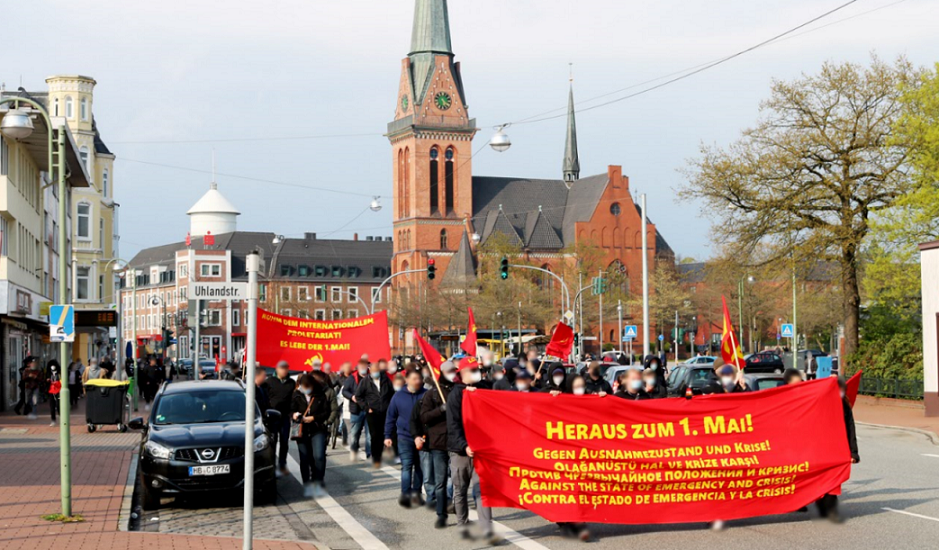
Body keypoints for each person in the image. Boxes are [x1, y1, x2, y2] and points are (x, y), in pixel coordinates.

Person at [446, 356, 500, 544]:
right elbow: (453, 425)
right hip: (460, 452)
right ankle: (462, 524)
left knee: (482, 491)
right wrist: (464, 446)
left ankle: (487, 530)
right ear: (462, 373)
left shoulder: (483, 388)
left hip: (481, 451)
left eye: (478, 369)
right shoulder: (455, 395)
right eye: (472, 370)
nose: (477, 373)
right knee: (460, 490)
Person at [546, 375, 597, 541]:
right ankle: (566, 522)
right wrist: (549, 398)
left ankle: (577, 525)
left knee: (579, 489)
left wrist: (604, 398)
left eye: (582, 385)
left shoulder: (590, 401)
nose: (580, 389)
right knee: (566, 489)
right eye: (576, 386)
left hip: (583, 454)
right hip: (563, 454)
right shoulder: (557, 400)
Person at [816, 377, 860, 522]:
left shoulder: (845, 405)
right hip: (822, 449)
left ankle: (831, 509)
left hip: (838, 450)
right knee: (823, 479)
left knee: (834, 481)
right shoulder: (821, 403)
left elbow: (850, 429)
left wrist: (853, 452)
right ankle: (822, 505)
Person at [419, 360, 457, 527]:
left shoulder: (458, 391)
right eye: (449, 371)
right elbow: (424, 417)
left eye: (454, 371)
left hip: (456, 442)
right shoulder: (432, 394)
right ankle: (441, 514)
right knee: (440, 481)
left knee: (457, 480)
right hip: (438, 443)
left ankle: (458, 508)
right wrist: (441, 409)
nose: (453, 374)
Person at [385, 369, 426, 507]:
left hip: (423, 437)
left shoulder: (426, 394)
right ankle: (405, 494)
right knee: (407, 466)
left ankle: (416, 493)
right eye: (414, 378)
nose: (417, 381)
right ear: (407, 380)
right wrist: (387, 435)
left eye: (419, 378)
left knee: (420, 467)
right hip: (404, 437)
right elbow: (391, 417)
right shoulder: (398, 396)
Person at [291, 374, 330, 497]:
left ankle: (318, 481)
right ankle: (307, 484)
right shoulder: (296, 395)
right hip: (301, 430)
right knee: (304, 458)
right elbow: (290, 410)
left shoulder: (320, 395)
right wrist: (294, 415)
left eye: (308, 386)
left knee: (319, 456)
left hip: (317, 429)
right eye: (304, 386)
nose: (306, 389)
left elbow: (326, 412)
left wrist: (313, 418)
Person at [355, 358, 394, 468]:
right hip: (372, 412)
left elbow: (392, 393)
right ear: (370, 371)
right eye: (373, 371)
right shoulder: (365, 381)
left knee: (383, 434)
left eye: (377, 370)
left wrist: (391, 406)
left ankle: (380, 455)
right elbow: (358, 396)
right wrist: (366, 408)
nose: (375, 373)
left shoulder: (386, 380)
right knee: (374, 435)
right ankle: (375, 458)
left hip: (385, 411)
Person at [263, 361, 297, 476]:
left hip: (285, 417)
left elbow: (293, 399)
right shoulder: (269, 382)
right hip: (272, 417)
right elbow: (265, 398)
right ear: (277, 369)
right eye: (281, 368)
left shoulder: (292, 383)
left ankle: (282, 464)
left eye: (286, 368)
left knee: (284, 442)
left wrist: (292, 412)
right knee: (272, 442)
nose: (284, 370)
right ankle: (272, 465)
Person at [342, 359, 371, 462]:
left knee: (370, 435)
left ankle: (369, 454)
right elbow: (344, 391)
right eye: (361, 366)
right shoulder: (352, 378)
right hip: (356, 410)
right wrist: (352, 396)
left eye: (365, 365)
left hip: (369, 410)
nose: (363, 368)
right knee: (355, 433)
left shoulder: (372, 377)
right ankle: (354, 451)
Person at [47, 360, 62, 426]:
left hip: (59, 390)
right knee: (52, 406)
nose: (52, 367)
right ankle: (53, 420)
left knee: (59, 405)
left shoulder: (59, 373)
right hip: (51, 391)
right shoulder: (48, 373)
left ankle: (61, 418)